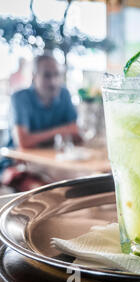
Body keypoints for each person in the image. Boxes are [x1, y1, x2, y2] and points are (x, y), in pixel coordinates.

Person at [0, 54, 80, 191]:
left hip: (51, 163)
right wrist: (61, 130)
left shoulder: (64, 94)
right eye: (47, 75)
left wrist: (74, 132)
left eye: (57, 75)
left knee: (81, 187)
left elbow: (75, 134)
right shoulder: (20, 98)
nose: (53, 81)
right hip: (17, 164)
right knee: (47, 193)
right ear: (34, 76)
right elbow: (23, 142)